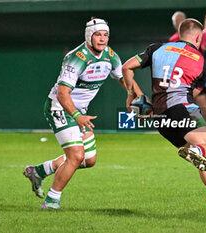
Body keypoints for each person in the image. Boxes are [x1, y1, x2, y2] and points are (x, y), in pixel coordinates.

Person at [122, 18, 206, 212]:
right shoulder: (201, 61)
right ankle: (197, 151)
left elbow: (126, 67)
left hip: (160, 119)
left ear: (180, 34)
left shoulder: (156, 49)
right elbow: (192, 94)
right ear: (198, 37)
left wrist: (133, 94)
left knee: (201, 161)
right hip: (182, 110)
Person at [23, 17, 142, 209]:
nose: (102, 39)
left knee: (89, 160)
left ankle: (39, 171)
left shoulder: (110, 55)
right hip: (60, 108)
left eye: (105, 35)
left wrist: (138, 96)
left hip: (80, 112)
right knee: (76, 156)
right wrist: (77, 116)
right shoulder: (76, 58)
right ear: (89, 36)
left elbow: (123, 77)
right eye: (98, 35)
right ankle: (51, 201)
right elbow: (62, 94)